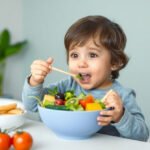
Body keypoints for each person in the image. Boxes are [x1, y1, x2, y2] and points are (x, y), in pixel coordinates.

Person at [22, 15, 149, 141]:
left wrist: (121, 116)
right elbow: (31, 105)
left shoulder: (121, 96)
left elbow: (142, 135)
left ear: (114, 62)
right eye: (75, 55)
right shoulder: (67, 86)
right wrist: (35, 81)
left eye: (92, 55)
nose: (81, 63)